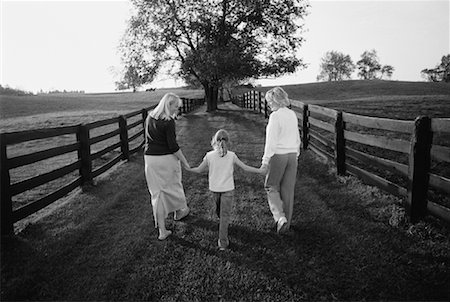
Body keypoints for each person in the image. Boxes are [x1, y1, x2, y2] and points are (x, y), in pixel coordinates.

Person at [188, 129, 264, 250]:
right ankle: (222, 238)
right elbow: (245, 168)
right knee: (223, 215)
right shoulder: (231, 156)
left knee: (222, 214)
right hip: (228, 189)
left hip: (214, 189)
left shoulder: (209, 156)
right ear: (228, 141)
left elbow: (198, 169)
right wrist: (259, 170)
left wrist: (187, 167)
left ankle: (223, 241)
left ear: (214, 141)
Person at [144, 93, 191, 240]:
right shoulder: (168, 121)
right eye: (175, 107)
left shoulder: (150, 117)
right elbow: (173, 147)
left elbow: (147, 140)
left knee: (157, 193)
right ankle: (179, 212)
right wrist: (185, 161)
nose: (176, 110)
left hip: (150, 160)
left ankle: (162, 231)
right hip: (166, 159)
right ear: (168, 105)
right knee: (174, 186)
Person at [260, 87, 301, 234]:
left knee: (271, 186)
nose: (269, 104)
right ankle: (287, 224)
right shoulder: (292, 114)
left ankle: (280, 218)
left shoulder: (275, 116)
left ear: (275, 100)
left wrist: (265, 161)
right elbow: (297, 137)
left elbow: (271, 141)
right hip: (292, 156)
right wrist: (296, 153)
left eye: (270, 101)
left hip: (279, 156)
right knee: (288, 190)